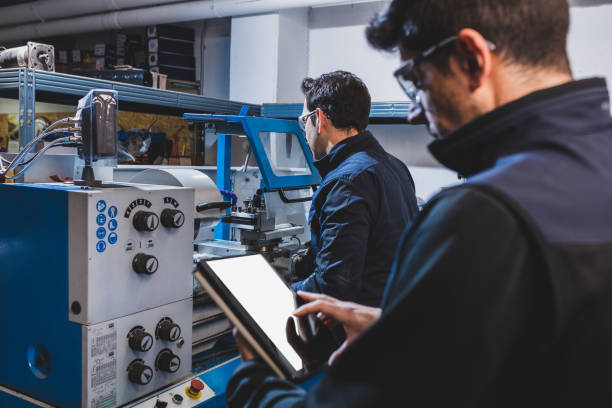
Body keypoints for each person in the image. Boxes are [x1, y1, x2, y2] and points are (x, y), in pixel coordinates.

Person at [225, 0, 612, 407]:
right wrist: (398, 327)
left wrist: (252, 377)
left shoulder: (484, 214)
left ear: (472, 58)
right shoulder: (594, 166)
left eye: (416, 82)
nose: (413, 113)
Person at [291, 71, 419, 307]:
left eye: (304, 121)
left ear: (319, 119)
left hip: (359, 331)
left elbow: (334, 285)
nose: (304, 130)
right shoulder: (394, 166)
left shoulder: (346, 182)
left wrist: (283, 292)